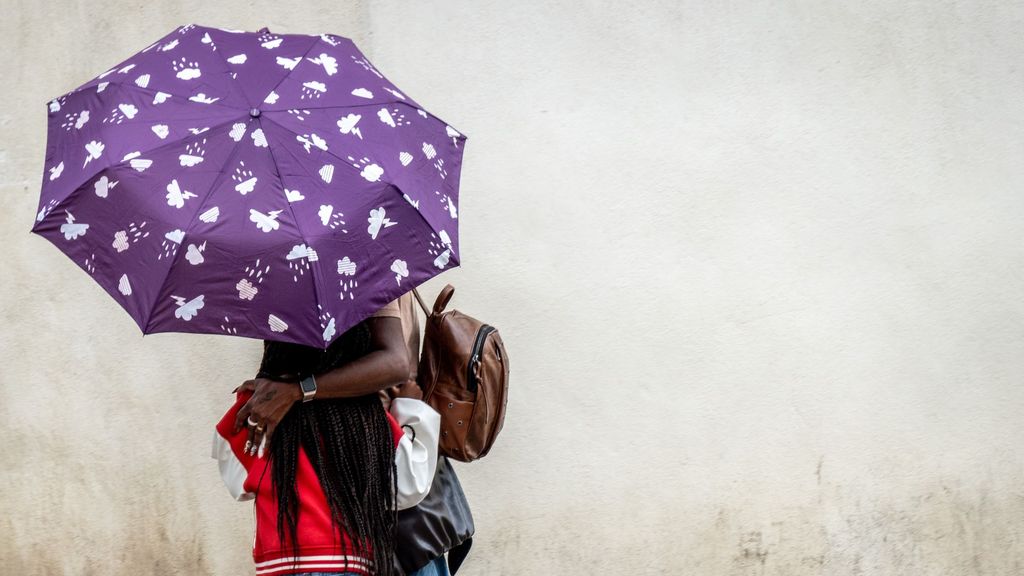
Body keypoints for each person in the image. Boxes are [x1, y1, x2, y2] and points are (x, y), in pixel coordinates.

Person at [212, 296, 441, 576]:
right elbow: (410, 485)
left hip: (282, 563)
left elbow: (235, 478)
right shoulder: (367, 420)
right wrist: (413, 408)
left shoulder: (260, 410)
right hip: (350, 560)